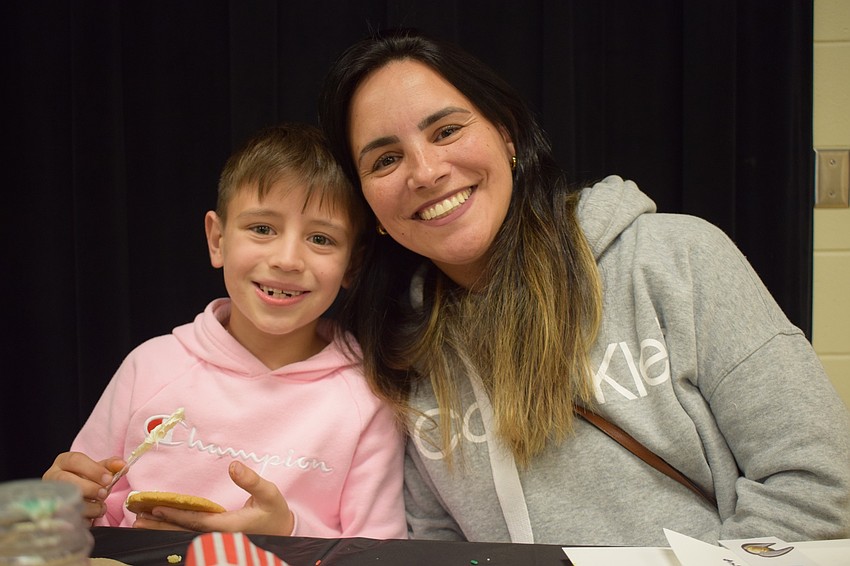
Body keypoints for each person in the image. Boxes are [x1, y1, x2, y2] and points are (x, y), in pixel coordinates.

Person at [316, 29, 850, 546]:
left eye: (447, 131)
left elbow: (818, 485)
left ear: (507, 135)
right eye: (385, 159)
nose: (426, 171)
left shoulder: (676, 259)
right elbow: (439, 541)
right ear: (368, 204)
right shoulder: (403, 349)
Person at [43, 123, 407, 539]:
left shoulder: (367, 398)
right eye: (262, 229)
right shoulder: (150, 367)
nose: (287, 259)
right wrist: (65, 504)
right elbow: (85, 516)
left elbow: (379, 551)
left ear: (353, 265)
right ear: (217, 239)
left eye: (320, 238)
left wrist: (286, 531)